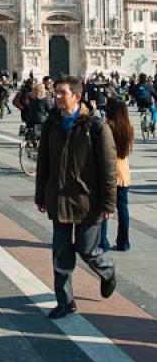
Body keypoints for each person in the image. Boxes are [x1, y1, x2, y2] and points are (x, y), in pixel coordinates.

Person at [35, 75, 117, 319]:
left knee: (88, 249)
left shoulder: (95, 127)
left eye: (62, 93)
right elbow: (44, 163)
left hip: (87, 199)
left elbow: (108, 168)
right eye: (56, 93)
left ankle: (107, 270)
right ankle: (65, 301)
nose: (57, 97)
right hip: (59, 197)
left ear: (77, 96)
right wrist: (41, 194)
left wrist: (108, 203)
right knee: (61, 252)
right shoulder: (52, 123)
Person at [100, 98, 134, 252]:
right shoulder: (129, 127)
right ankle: (124, 242)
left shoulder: (106, 127)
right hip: (124, 173)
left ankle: (103, 241)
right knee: (123, 208)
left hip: (109, 172)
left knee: (104, 207)